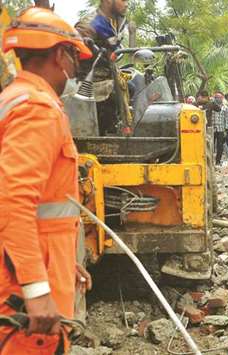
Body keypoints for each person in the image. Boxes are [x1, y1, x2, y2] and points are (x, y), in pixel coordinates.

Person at [0, 7, 93, 353]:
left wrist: (64, 261)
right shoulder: (37, 110)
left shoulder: (15, 98)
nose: (75, 68)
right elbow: (14, 201)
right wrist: (37, 290)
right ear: (59, 54)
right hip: (19, 290)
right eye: (74, 56)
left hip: (27, 268)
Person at [75, 0, 129, 135]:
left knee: (137, 84)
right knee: (114, 96)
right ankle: (108, 138)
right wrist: (88, 47)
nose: (127, 4)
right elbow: (74, 48)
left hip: (110, 75)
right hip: (91, 81)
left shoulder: (117, 21)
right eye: (123, 0)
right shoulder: (89, 24)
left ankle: (127, 130)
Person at [212, 93, 228, 166]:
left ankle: (218, 161)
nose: (218, 99)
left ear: (222, 98)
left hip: (221, 129)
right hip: (212, 129)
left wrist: (226, 129)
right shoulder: (211, 106)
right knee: (211, 146)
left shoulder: (225, 108)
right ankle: (211, 161)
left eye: (220, 97)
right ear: (214, 98)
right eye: (216, 97)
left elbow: (227, 119)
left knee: (220, 146)